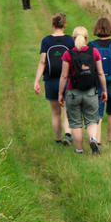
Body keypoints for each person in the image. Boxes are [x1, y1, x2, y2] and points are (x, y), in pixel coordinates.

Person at [59, 26, 107, 154]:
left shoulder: (67, 54)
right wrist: (105, 91)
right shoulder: (94, 52)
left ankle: (79, 150)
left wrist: (60, 93)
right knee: (92, 120)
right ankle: (92, 138)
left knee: (75, 123)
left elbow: (64, 76)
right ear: (87, 38)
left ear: (73, 38)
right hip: (91, 92)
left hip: (73, 92)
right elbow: (101, 73)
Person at [34, 13, 74, 146]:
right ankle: (68, 136)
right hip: (67, 80)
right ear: (65, 25)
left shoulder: (46, 41)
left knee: (55, 112)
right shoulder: (69, 41)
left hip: (51, 81)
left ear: (52, 24)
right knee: (67, 111)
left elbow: (43, 62)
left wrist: (37, 81)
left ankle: (57, 140)